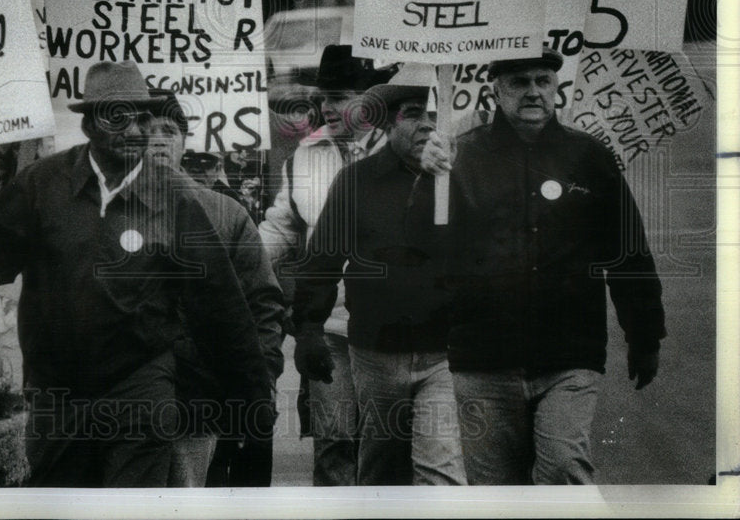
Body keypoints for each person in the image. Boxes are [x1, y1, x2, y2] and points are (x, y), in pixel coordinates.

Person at [0, 61, 273, 488]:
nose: (136, 130)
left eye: (142, 116)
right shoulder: (42, 185)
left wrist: (252, 405)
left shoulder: (174, 199)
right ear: (89, 125)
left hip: (139, 388)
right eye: (118, 116)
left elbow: (220, 306)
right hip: (58, 394)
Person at [421, 46, 666, 485]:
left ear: (557, 88)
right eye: (519, 83)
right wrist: (424, 178)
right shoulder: (458, 158)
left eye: (543, 81)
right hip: (482, 357)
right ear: (495, 90)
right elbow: (420, 247)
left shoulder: (589, 156)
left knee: (563, 469)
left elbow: (628, 249)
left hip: (568, 354)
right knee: (495, 493)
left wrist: (644, 333)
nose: (533, 92)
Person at [291, 64, 466, 486]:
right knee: (382, 465)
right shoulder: (356, 182)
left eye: (435, 115)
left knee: (438, 468)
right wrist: (309, 327)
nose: (426, 124)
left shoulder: (463, 179)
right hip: (375, 351)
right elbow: (323, 259)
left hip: (446, 352)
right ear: (389, 122)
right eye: (412, 113)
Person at [259, 44, 391, 486]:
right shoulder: (305, 155)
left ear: (372, 98)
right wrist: (238, 262)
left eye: (339, 96)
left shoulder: (407, 152)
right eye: (323, 96)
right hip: (328, 327)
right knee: (334, 445)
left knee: (387, 447)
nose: (326, 107)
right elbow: (281, 226)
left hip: (394, 332)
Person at [145, 89, 285, 487]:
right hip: (123, 406)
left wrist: (263, 382)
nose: (158, 139)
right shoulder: (103, 211)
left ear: (184, 141)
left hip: (197, 400)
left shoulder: (227, 214)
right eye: (147, 129)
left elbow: (263, 305)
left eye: (169, 130)